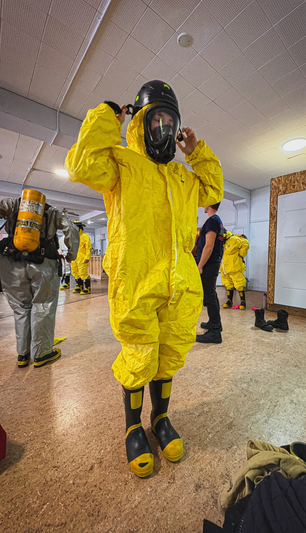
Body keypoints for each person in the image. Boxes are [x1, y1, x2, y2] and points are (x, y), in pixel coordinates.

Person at [65, 79, 223, 477]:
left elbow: (213, 189)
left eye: (171, 121)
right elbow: (81, 165)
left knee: (169, 355)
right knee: (139, 355)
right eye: (156, 119)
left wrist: (196, 151)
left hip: (179, 286)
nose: (164, 128)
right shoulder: (121, 164)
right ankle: (132, 426)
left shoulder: (183, 177)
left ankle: (160, 417)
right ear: (141, 122)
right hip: (136, 282)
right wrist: (107, 117)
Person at [0, 196, 79, 367]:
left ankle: (23, 354)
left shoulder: (12, 205)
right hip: (43, 262)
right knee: (43, 306)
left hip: (12, 262)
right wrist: (72, 254)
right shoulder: (51, 211)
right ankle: (42, 353)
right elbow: (71, 228)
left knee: (21, 308)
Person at [196, 203, 225, 344]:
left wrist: (200, 265)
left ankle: (215, 331)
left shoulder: (212, 221)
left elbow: (209, 245)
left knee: (209, 295)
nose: (203, 204)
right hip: (212, 262)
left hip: (209, 263)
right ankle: (215, 323)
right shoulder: (218, 221)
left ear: (209, 204)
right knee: (211, 294)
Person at [220, 232, 250, 309]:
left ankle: (243, 302)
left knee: (239, 283)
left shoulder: (235, 239)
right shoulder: (223, 242)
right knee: (228, 283)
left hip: (235, 267)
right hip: (225, 268)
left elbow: (245, 243)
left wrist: (241, 254)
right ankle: (229, 301)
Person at [70, 220, 92, 295]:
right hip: (74, 258)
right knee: (75, 272)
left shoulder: (85, 236)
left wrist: (87, 257)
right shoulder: (73, 238)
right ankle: (79, 286)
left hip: (82, 258)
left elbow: (88, 248)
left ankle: (87, 288)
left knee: (83, 273)